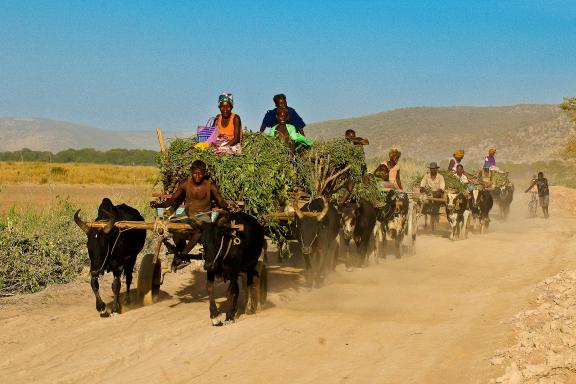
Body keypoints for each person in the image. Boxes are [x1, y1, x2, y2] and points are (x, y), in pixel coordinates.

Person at [150, 160, 230, 260]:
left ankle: (183, 256)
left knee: (199, 230)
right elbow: (172, 200)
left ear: (204, 173)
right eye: (195, 173)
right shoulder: (184, 184)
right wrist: (158, 205)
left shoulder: (210, 185)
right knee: (172, 228)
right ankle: (181, 252)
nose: (197, 176)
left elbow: (220, 200)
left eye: (200, 173)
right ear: (191, 171)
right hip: (187, 215)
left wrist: (226, 206)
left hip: (204, 216)